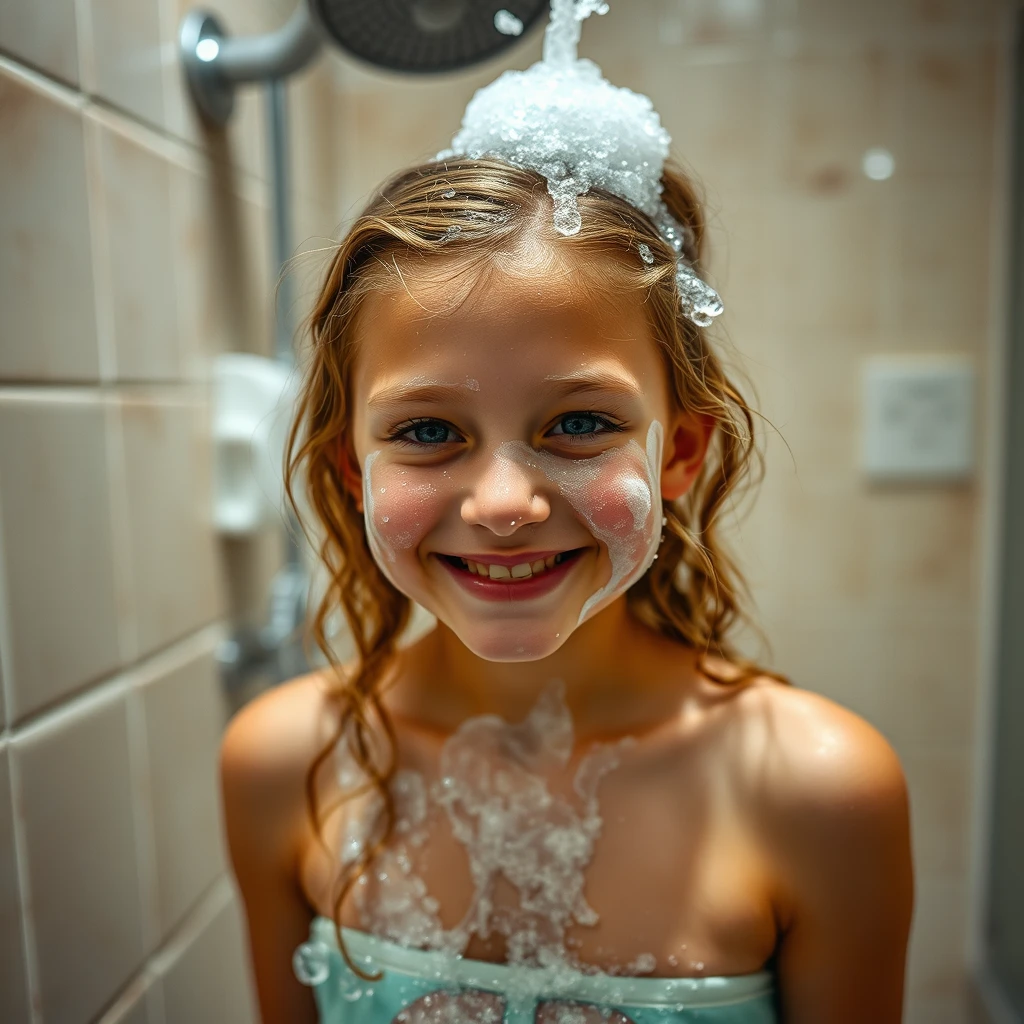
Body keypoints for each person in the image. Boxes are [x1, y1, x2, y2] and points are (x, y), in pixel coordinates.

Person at [219, 3, 914, 1022]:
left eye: (578, 421)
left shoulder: (816, 790)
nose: (503, 504)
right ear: (353, 469)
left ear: (678, 451)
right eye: (425, 432)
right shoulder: (283, 763)